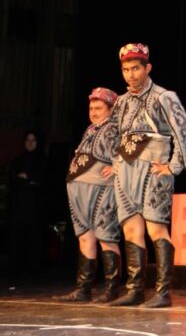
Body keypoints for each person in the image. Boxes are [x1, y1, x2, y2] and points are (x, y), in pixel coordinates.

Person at [110, 43, 186, 308]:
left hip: (153, 168)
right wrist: (116, 161)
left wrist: (174, 166)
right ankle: (135, 290)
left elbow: (184, 131)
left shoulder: (163, 96)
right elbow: (114, 134)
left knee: (155, 227)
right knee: (130, 228)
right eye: (126, 69)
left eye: (136, 68)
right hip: (126, 169)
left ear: (148, 68)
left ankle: (163, 292)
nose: (131, 74)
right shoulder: (121, 102)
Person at [57, 88, 123, 303]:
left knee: (106, 236)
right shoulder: (90, 129)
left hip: (100, 188)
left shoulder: (113, 128)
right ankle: (83, 289)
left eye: (98, 108)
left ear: (110, 109)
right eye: (91, 108)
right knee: (86, 237)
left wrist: (117, 166)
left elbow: (126, 151)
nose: (93, 112)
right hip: (80, 190)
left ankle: (112, 288)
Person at [6, 131, 48, 279]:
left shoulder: (43, 161)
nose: (30, 143)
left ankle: (35, 270)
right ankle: (15, 270)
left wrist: (27, 178)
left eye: (33, 140)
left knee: (35, 238)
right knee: (16, 238)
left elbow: (42, 181)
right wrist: (29, 181)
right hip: (18, 207)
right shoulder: (17, 161)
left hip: (36, 208)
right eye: (27, 140)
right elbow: (12, 180)